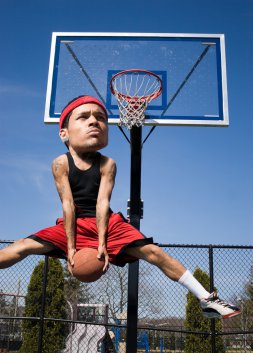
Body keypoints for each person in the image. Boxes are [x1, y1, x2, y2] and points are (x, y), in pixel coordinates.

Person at [0, 95, 240, 319]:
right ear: (64, 132)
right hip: (74, 223)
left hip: (107, 223)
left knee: (154, 253)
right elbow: (68, 204)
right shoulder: (60, 163)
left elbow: (102, 203)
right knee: (23, 246)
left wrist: (102, 244)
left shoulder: (107, 163)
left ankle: (206, 299)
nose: (94, 121)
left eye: (101, 117)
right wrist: (71, 248)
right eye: (84, 117)